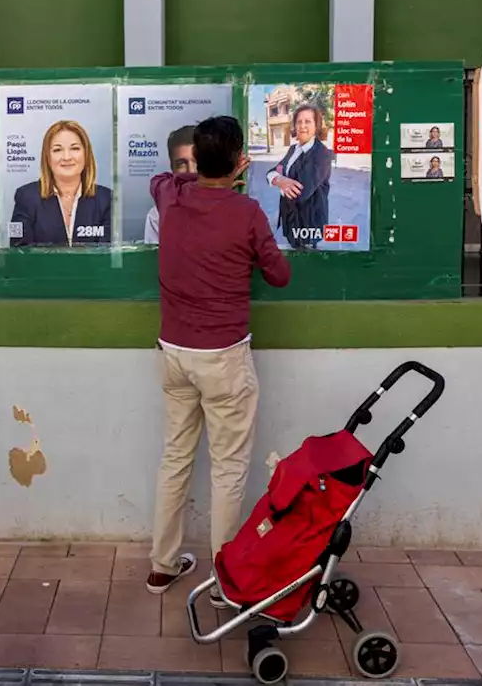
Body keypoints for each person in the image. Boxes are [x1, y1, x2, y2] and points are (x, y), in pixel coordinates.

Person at [145, 115, 291, 607]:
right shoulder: (246, 210)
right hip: (224, 358)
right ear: (237, 162)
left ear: (198, 159)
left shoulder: (173, 196)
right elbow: (280, 275)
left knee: (174, 458)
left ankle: (163, 566)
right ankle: (224, 582)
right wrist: (229, 182)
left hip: (174, 354)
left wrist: (206, 176)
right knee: (228, 469)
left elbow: (161, 179)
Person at [10, 119, 112, 246]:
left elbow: (108, 254)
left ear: (86, 154)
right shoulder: (26, 197)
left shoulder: (107, 199)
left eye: (75, 148)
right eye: (57, 150)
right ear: (47, 157)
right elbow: (19, 251)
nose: (67, 157)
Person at [266, 104, 334, 249]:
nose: (302, 126)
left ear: (316, 126)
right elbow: (273, 171)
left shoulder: (321, 155)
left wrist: (279, 180)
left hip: (308, 224)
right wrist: (280, 180)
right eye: (299, 121)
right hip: (291, 220)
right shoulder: (293, 149)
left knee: (306, 265)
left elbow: (300, 193)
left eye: (308, 121)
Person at [143, 124, 197, 245]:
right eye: (182, 164)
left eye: (198, 162)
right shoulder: (157, 215)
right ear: (172, 168)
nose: (191, 171)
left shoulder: (228, 203)